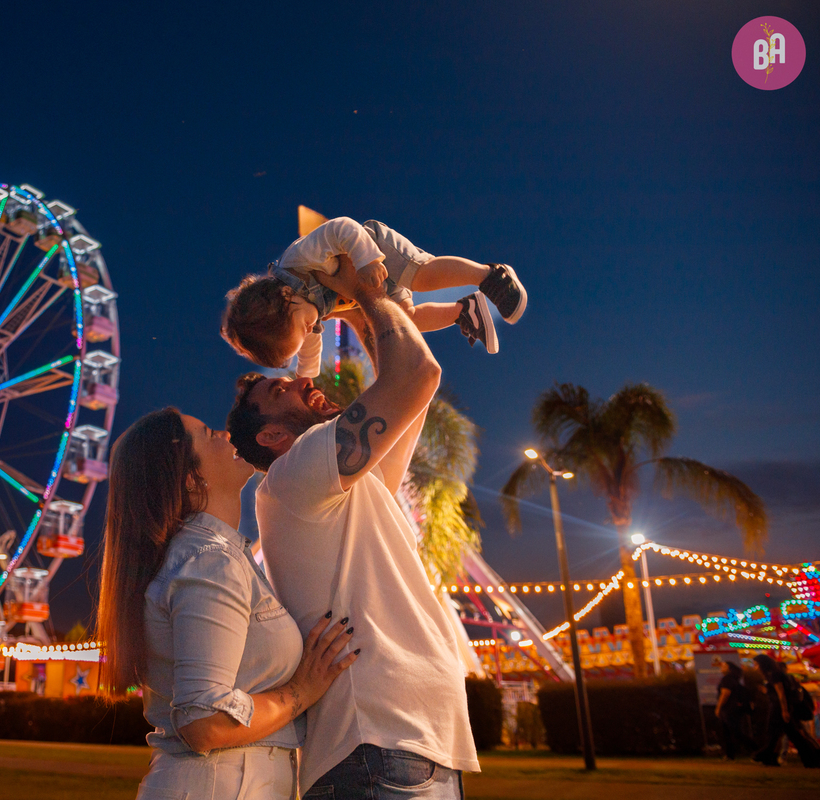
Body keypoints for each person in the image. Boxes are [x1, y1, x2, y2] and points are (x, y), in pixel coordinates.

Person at [227, 256, 479, 798]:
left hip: (406, 742)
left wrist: (355, 308)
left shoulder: (343, 485)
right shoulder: (295, 476)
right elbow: (417, 375)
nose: (302, 381)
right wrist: (365, 290)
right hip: (378, 743)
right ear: (271, 437)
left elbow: (409, 381)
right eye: (280, 392)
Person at [97, 407, 357, 799]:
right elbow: (204, 721)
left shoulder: (209, 557)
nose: (225, 434)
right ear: (191, 478)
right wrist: (302, 691)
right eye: (208, 433)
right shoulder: (208, 562)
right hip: (224, 783)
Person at [221, 217, 527, 371]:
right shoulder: (301, 312)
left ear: (285, 296)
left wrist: (366, 260)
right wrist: (306, 377)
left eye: (304, 327)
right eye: (304, 334)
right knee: (407, 320)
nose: (312, 329)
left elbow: (340, 228)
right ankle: (464, 311)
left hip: (374, 251)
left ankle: (491, 276)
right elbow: (309, 348)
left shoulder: (298, 259)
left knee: (421, 275)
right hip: (368, 286)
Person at [752, 654, 820, 767]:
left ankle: (764, 756)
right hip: (781, 708)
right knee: (783, 735)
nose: (755, 668)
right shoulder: (775, 674)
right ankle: (769, 758)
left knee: (783, 735)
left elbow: (781, 693)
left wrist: (784, 710)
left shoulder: (774, 675)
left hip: (778, 709)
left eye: (756, 665)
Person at [715, 661, 754, 759]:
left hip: (729, 708)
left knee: (734, 731)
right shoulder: (734, 679)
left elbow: (725, 693)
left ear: (729, 668)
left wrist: (719, 707)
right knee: (729, 731)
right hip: (735, 708)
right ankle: (730, 754)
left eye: (724, 666)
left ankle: (755, 748)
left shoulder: (727, 679)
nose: (721, 667)